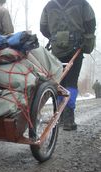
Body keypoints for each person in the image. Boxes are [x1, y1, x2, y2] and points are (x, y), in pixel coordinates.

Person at [40, 0, 96, 131]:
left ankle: (60, 116)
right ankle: (68, 120)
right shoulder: (82, 3)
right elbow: (91, 23)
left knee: (60, 83)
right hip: (76, 47)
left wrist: (56, 37)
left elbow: (43, 27)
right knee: (71, 82)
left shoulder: (49, 5)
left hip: (56, 49)